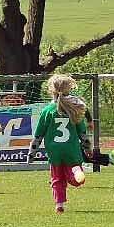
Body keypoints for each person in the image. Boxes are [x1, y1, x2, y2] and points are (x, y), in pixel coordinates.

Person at [28, 74, 89, 213]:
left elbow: (38, 135)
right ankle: (76, 171)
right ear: (69, 89)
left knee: (57, 179)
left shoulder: (47, 111)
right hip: (71, 149)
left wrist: (32, 153)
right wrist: (87, 149)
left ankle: (59, 206)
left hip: (54, 151)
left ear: (51, 90)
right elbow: (82, 133)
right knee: (75, 179)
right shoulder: (73, 109)